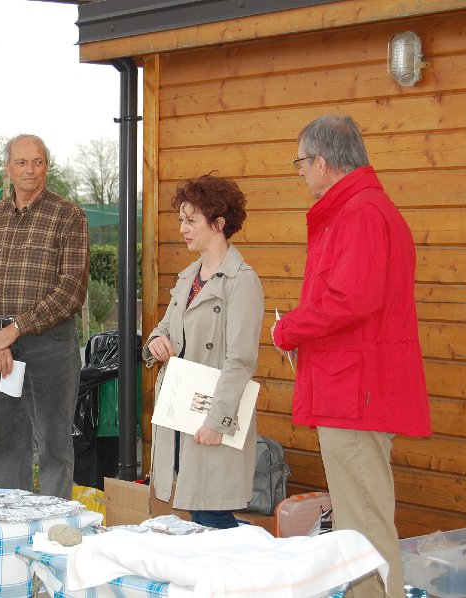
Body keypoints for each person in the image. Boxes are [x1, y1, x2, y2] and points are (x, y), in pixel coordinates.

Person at [272, 115, 431, 598]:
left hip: (354, 392)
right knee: (359, 524)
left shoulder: (359, 212)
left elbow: (351, 300)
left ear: (322, 162)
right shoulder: (362, 208)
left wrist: (288, 328)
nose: (298, 171)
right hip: (353, 387)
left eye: (300, 161)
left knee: (363, 527)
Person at [0, 133, 89, 500]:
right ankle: (7, 527)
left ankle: (51, 532)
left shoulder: (68, 216)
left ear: (47, 166)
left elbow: (71, 291)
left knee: (53, 445)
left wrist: (12, 331)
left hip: (50, 345)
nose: (29, 170)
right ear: (8, 169)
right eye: (21, 163)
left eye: (37, 162)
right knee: (8, 442)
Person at [143, 174, 264, 529]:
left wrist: (217, 422)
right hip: (180, 414)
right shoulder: (187, 276)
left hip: (211, 418)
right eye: (181, 219)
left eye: (192, 220)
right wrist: (155, 343)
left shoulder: (242, 280)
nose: (183, 227)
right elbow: (163, 329)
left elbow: (240, 360)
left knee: (212, 517)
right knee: (196, 518)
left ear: (218, 223)